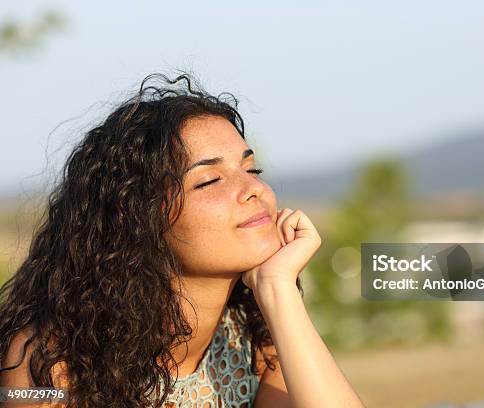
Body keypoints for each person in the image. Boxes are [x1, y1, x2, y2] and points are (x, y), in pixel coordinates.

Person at [0, 73, 365, 408]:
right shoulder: (50, 362)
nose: (253, 189)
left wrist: (277, 289)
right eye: (209, 180)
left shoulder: (256, 339)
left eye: (252, 170)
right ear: (140, 219)